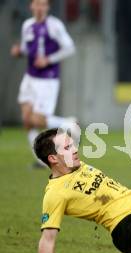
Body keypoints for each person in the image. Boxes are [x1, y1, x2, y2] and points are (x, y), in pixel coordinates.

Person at [10, 0, 76, 168]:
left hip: (47, 79)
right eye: (37, 4)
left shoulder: (54, 25)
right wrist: (19, 52)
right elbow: (27, 48)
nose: (40, 7)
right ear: (31, 6)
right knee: (26, 119)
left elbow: (70, 47)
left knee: (38, 120)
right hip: (30, 77)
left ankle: (68, 124)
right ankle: (42, 161)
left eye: (43, 4)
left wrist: (48, 59)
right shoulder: (27, 25)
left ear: (47, 7)